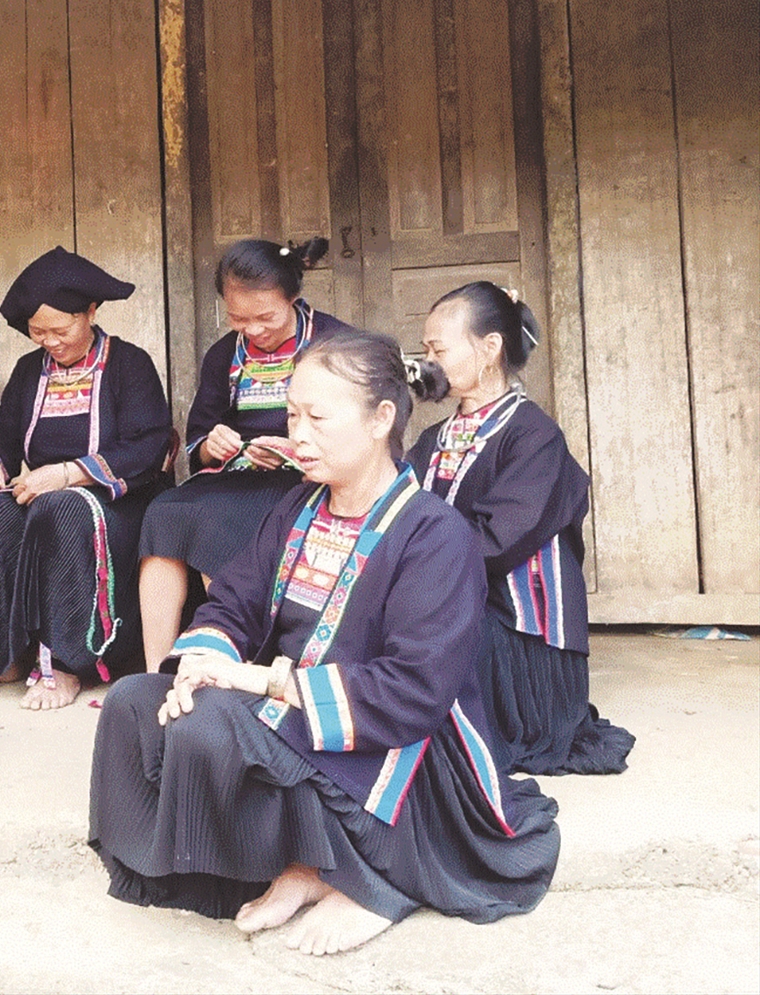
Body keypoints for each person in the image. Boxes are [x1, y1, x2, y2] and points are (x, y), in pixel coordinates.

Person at [89, 331, 559, 956]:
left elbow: (413, 691)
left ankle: (369, 879)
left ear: (380, 419)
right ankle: (292, 866)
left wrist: (266, 681)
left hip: (397, 743)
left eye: (317, 417)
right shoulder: (299, 508)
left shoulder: (435, 534)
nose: (297, 434)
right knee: (131, 703)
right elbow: (235, 598)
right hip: (296, 720)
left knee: (209, 727)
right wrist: (205, 659)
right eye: (291, 415)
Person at [407, 281, 634, 775]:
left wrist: (414, 573)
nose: (426, 361)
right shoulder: (433, 438)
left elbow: (496, 543)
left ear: (490, 349)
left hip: (515, 627)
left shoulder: (534, 436)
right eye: (426, 349)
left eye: (438, 349)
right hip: (454, 598)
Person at [0, 247, 172, 710]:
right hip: (46, 493)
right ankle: (0, 657)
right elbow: (5, 433)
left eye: (60, 329)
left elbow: (147, 446)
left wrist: (71, 473)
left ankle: (68, 666)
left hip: (119, 503)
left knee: (62, 508)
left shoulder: (130, 364)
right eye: (37, 331)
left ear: (91, 312)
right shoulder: (32, 370)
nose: (49, 341)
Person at [138, 237, 349, 669]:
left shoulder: (336, 345)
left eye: (265, 317)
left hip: (311, 480)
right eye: (238, 319)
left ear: (292, 297)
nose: (253, 330)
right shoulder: (224, 355)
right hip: (239, 474)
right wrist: (214, 446)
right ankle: (156, 669)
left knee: (221, 518)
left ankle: (236, 664)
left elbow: (362, 432)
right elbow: (198, 437)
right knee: (165, 511)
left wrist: (301, 450)